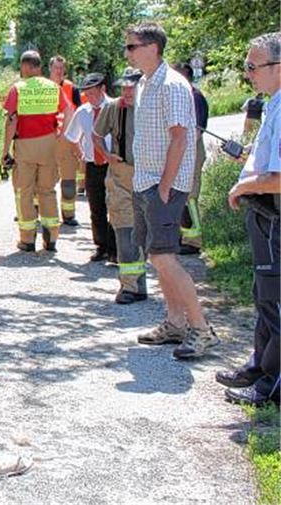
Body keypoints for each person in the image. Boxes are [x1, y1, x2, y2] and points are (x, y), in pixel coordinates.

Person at [125, 22, 219, 358]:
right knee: (158, 257)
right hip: (145, 182)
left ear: (152, 48)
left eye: (132, 46)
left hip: (163, 186)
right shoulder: (144, 83)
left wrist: (165, 186)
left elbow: (180, 138)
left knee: (164, 257)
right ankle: (176, 322)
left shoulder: (173, 85)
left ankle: (202, 329)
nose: (127, 53)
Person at [215, 31, 281, 406]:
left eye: (253, 66)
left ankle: (272, 384)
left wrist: (244, 186)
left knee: (276, 300)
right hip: (265, 215)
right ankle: (260, 366)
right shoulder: (273, 104)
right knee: (265, 296)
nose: (247, 73)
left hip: (275, 216)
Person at [2, 50, 73, 252]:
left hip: (25, 145)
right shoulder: (53, 87)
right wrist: (61, 134)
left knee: (24, 191)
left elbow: (11, 121)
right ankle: (51, 238)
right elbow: (68, 110)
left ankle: (27, 239)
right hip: (49, 143)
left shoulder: (18, 88)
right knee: (47, 190)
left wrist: (5, 151)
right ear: (40, 66)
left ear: (25, 66)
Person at [94, 67, 148, 304]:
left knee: (147, 233)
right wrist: (107, 155)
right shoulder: (114, 108)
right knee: (125, 229)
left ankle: (140, 285)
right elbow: (96, 135)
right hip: (121, 175)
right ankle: (129, 287)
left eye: (131, 88)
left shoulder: (154, 107)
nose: (126, 92)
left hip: (150, 176)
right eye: (124, 88)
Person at [64, 73, 115, 262]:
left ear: (103, 89)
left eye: (93, 93)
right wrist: (82, 156)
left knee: (116, 206)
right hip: (93, 165)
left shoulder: (116, 108)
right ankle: (101, 246)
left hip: (113, 165)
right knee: (96, 207)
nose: (90, 98)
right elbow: (72, 137)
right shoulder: (83, 112)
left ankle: (116, 248)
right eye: (87, 94)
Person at [175, 62, 209, 255]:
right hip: (182, 151)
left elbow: (196, 131)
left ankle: (193, 241)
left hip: (191, 152)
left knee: (190, 197)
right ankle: (183, 236)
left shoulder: (194, 97)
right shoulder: (182, 96)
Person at [50, 56, 85, 226]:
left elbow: (80, 113)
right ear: (50, 68)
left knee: (69, 180)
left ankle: (68, 215)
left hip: (67, 139)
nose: (59, 71)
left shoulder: (72, 89)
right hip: (47, 139)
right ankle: (36, 211)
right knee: (43, 179)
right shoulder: (44, 87)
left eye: (62, 68)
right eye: (56, 67)